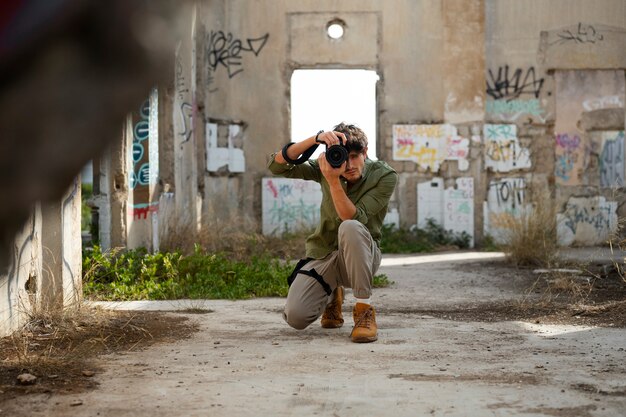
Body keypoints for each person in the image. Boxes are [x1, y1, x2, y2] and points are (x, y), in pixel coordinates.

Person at [267, 122, 398, 343]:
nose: (348, 165)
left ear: (365, 153)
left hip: (362, 256)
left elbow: (352, 217)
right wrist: (315, 139)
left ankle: (364, 311)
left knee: (350, 227)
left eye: (355, 156)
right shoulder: (327, 167)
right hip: (324, 254)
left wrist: (333, 181)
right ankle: (332, 296)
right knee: (296, 318)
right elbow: (277, 166)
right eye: (342, 157)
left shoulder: (384, 176)